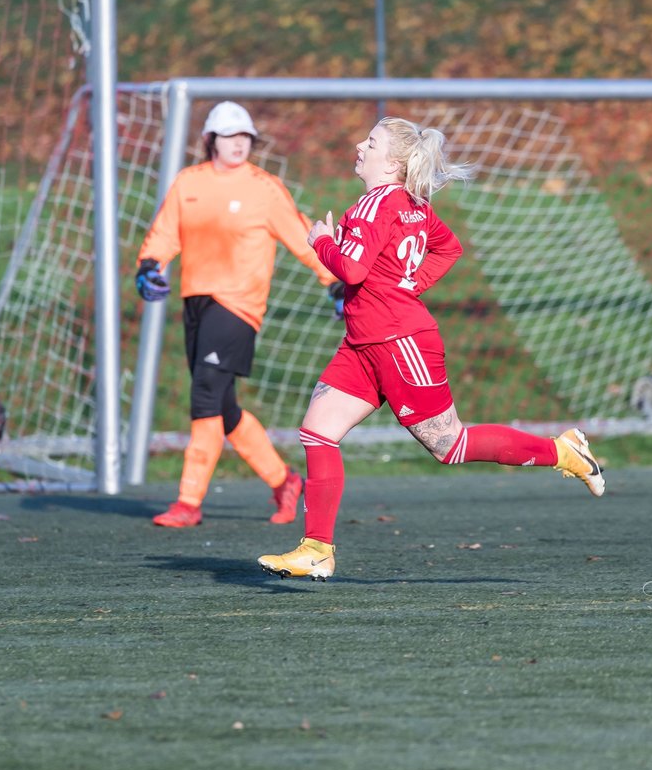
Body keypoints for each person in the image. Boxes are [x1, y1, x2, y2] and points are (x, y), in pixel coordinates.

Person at [258, 117, 605, 581]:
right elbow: (448, 247)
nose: (361, 145)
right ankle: (317, 549)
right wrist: (407, 284)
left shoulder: (375, 204)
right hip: (365, 343)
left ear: (394, 162)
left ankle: (561, 451)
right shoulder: (408, 204)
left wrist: (321, 242)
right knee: (318, 433)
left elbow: (353, 271)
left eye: (372, 141)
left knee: (451, 445)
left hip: (401, 344)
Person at [135, 101, 338, 528]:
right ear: (210, 140)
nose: (239, 144)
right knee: (222, 407)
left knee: (205, 396)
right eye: (230, 136)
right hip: (196, 301)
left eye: (245, 137)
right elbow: (165, 233)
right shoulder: (188, 182)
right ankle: (285, 481)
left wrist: (335, 281)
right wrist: (149, 265)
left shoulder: (264, 188)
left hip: (238, 306)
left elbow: (303, 237)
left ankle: (188, 502)